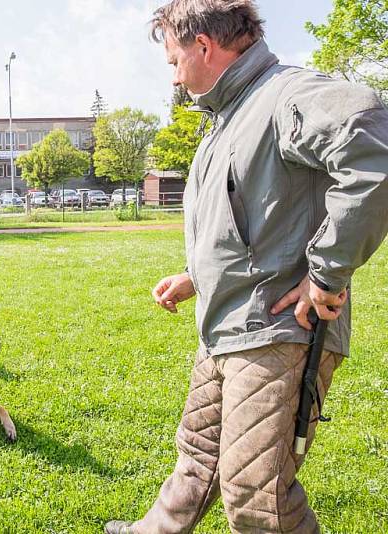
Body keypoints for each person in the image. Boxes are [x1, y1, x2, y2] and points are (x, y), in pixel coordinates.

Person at [105, 1, 388, 533]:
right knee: (198, 460)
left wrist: (326, 273)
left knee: (256, 495)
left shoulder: (284, 95)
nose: (173, 75)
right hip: (227, 327)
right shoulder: (231, 115)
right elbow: (257, 218)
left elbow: (373, 146)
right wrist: (198, 276)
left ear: (204, 47)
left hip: (277, 330)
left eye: (172, 61)